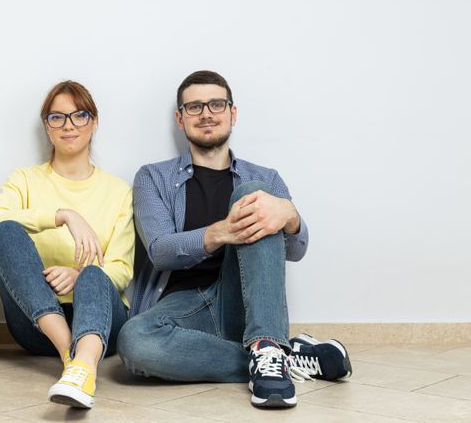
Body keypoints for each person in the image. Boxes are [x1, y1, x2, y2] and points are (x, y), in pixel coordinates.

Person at [118, 71, 351, 409]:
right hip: (182, 306)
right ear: (180, 118)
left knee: (254, 194)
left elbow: (297, 250)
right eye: (194, 107)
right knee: (135, 342)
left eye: (216, 104)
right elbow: (160, 252)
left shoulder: (265, 179)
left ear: (232, 113)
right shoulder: (153, 177)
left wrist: (290, 214)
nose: (206, 114)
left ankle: (268, 347)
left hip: (245, 301)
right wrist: (221, 232)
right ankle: (276, 359)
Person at [0, 80, 134, 409]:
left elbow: (122, 270)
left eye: (79, 115)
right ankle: (72, 354)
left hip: (102, 322)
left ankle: (84, 363)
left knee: (96, 274)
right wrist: (62, 215)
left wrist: (79, 275)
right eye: (57, 117)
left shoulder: (119, 190)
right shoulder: (24, 179)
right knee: (6, 229)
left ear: (93, 122)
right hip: (37, 328)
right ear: (46, 127)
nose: (68, 125)